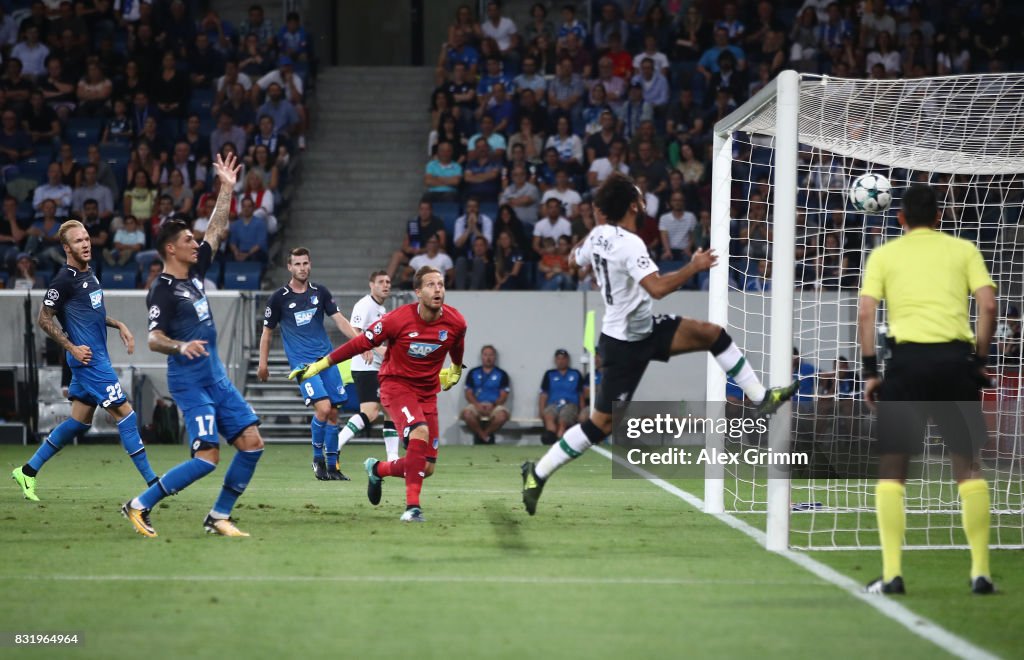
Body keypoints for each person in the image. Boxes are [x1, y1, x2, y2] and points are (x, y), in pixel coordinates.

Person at [521, 173, 798, 515]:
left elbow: (573, 259)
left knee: (713, 334)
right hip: (623, 345)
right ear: (632, 204)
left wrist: (579, 261)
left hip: (645, 330)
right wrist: (693, 266)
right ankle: (537, 474)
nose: (643, 199)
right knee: (599, 425)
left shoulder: (598, 236)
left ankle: (760, 398)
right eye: (639, 195)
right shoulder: (628, 243)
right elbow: (658, 289)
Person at [858, 184, 997, 595]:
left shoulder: (884, 254)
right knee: (968, 467)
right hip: (955, 363)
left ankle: (892, 574)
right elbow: (988, 305)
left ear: (900, 218)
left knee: (892, 470)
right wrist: (980, 361)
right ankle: (980, 573)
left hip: (907, 366)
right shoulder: (963, 250)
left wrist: (870, 371)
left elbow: (866, 312)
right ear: (939, 217)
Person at [122, 152, 265, 539]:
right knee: (207, 457)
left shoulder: (195, 271)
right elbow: (153, 339)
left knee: (251, 444)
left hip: (215, 377)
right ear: (171, 249)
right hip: (190, 383)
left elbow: (216, 230)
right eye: (187, 239)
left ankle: (218, 516)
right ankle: (138, 505)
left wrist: (226, 189)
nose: (194, 242)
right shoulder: (162, 291)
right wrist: (179, 346)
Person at [289, 266, 467, 523]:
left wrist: (457, 368)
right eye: (430, 285)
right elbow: (359, 343)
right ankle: (412, 508)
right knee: (419, 432)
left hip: (427, 393)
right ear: (418, 292)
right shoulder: (396, 319)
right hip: (396, 386)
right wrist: (319, 365)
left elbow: (457, 345)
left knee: (426, 467)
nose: (437, 289)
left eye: (440, 284)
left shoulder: (456, 322)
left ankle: (378, 468)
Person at [11, 220, 157, 503]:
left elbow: (91, 313)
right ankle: (153, 481)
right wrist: (71, 347)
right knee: (126, 414)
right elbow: (43, 318)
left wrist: (119, 324)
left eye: (87, 238)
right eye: (78, 241)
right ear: (66, 248)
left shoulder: (89, 274)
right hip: (89, 361)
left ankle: (27, 470)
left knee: (79, 421)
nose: (86, 244)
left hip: (93, 358)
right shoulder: (63, 280)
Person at [259, 247, 357, 480]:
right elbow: (266, 332)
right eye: (297, 264)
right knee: (323, 408)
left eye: (305, 263)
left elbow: (340, 321)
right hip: (303, 366)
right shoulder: (279, 298)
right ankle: (317, 460)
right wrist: (263, 364)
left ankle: (333, 467)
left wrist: (361, 342)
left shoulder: (320, 292)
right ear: (289, 267)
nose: (302, 268)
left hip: (326, 361)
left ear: (310, 265)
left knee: (334, 413)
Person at [338, 271, 400, 462]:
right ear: (371, 285)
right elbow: (354, 329)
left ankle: (392, 457)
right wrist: (367, 347)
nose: (385, 285)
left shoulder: (381, 309)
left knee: (391, 409)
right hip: (366, 367)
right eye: (381, 282)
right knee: (370, 412)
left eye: (388, 282)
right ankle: (334, 445)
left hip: (380, 368)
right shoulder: (365, 305)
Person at [462, 345, 511, 444]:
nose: (488, 358)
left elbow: (504, 395)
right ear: (481, 356)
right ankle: (483, 436)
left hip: (495, 405)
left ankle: (485, 434)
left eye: (491, 355)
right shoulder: (473, 372)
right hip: (476, 404)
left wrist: (493, 405)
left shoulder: (502, 374)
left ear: (495, 357)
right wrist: (477, 405)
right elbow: (468, 393)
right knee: (467, 414)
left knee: (502, 416)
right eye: (485, 355)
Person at [538, 349, 584, 444]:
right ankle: (551, 438)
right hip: (553, 404)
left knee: (563, 420)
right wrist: (541, 411)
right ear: (555, 360)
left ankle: (559, 441)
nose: (561, 361)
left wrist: (581, 411)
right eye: (558, 359)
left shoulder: (575, 374)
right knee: (549, 416)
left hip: (570, 404)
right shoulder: (549, 374)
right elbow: (543, 394)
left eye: (563, 358)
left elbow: (581, 394)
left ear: (567, 360)